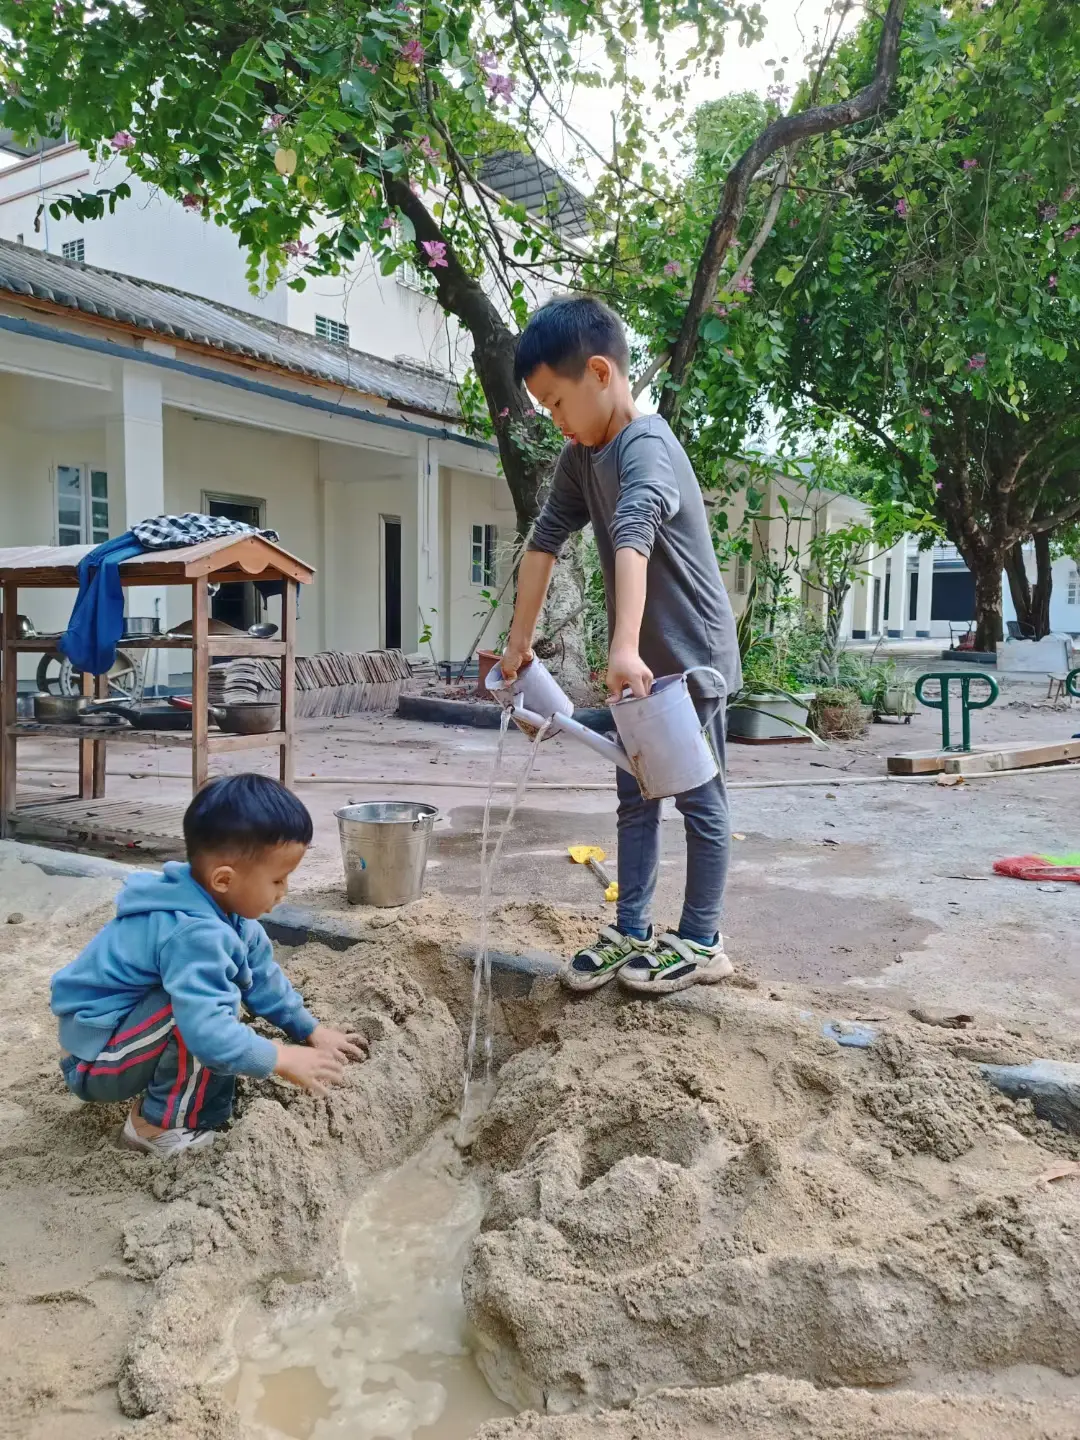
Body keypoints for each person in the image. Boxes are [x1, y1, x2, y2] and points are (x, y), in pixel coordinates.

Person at [501, 295, 742, 996]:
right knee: (636, 796)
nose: (554, 419)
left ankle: (702, 939)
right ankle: (630, 927)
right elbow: (544, 541)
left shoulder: (647, 445)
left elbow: (634, 534)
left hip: (689, 656)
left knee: (700, 798)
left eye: (554, 401)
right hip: (639, 663)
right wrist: (519, 645)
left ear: (600, 373)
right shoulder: (584, 456)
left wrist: (625, 646)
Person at [50, 773, 365, 1155]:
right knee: (202, 1020)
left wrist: (309, 1029)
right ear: (223, 879)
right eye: (279, 879)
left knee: (214, 1000)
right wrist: (279, 1057)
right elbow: (206, 1033)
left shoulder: (228, 913)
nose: (285, 892)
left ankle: (185, 1104)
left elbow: (263, 978)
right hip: (95, 1061)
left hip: (120, 1036)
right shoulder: (195, 933)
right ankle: (152, 1127)